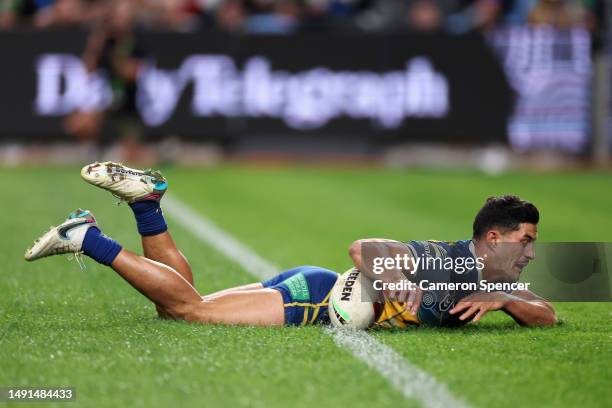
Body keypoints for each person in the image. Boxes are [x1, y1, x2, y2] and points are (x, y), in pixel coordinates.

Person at [25, 162, 556, 328]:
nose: (531, 250)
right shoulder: (452, 260)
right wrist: (399, 281)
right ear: (493, 238)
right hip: (314, 302)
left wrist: (506, 299)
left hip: (312, 287)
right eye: (525, 239)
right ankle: (88, 238)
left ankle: (146, 204)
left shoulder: (493, 278)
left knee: (184, 303)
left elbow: (548, 314)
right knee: (188, 311)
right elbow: (363, 247)